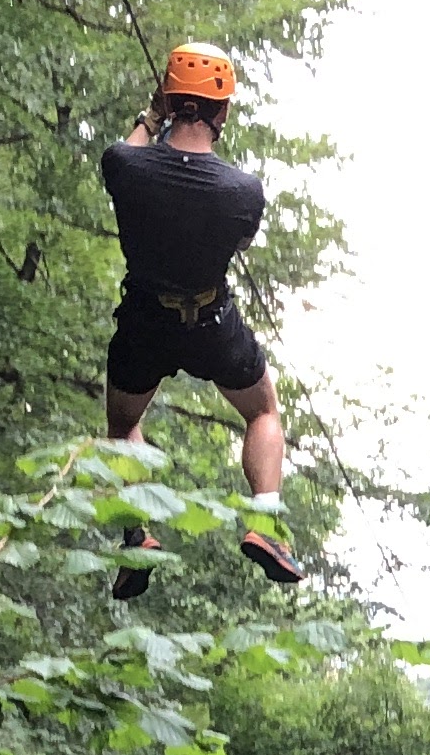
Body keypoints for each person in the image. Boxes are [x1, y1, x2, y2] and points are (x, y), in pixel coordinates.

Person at [96, 39, 305, 585]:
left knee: (124, 424)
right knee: (262, 411)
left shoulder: (124, 166)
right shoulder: (243, 190)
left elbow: (129, 154)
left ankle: (137, 532)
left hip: (144, 320)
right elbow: (238, 241)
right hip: (212, 322)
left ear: (169, 98)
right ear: (224, 110)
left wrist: (150, 116)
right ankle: (265, 520)